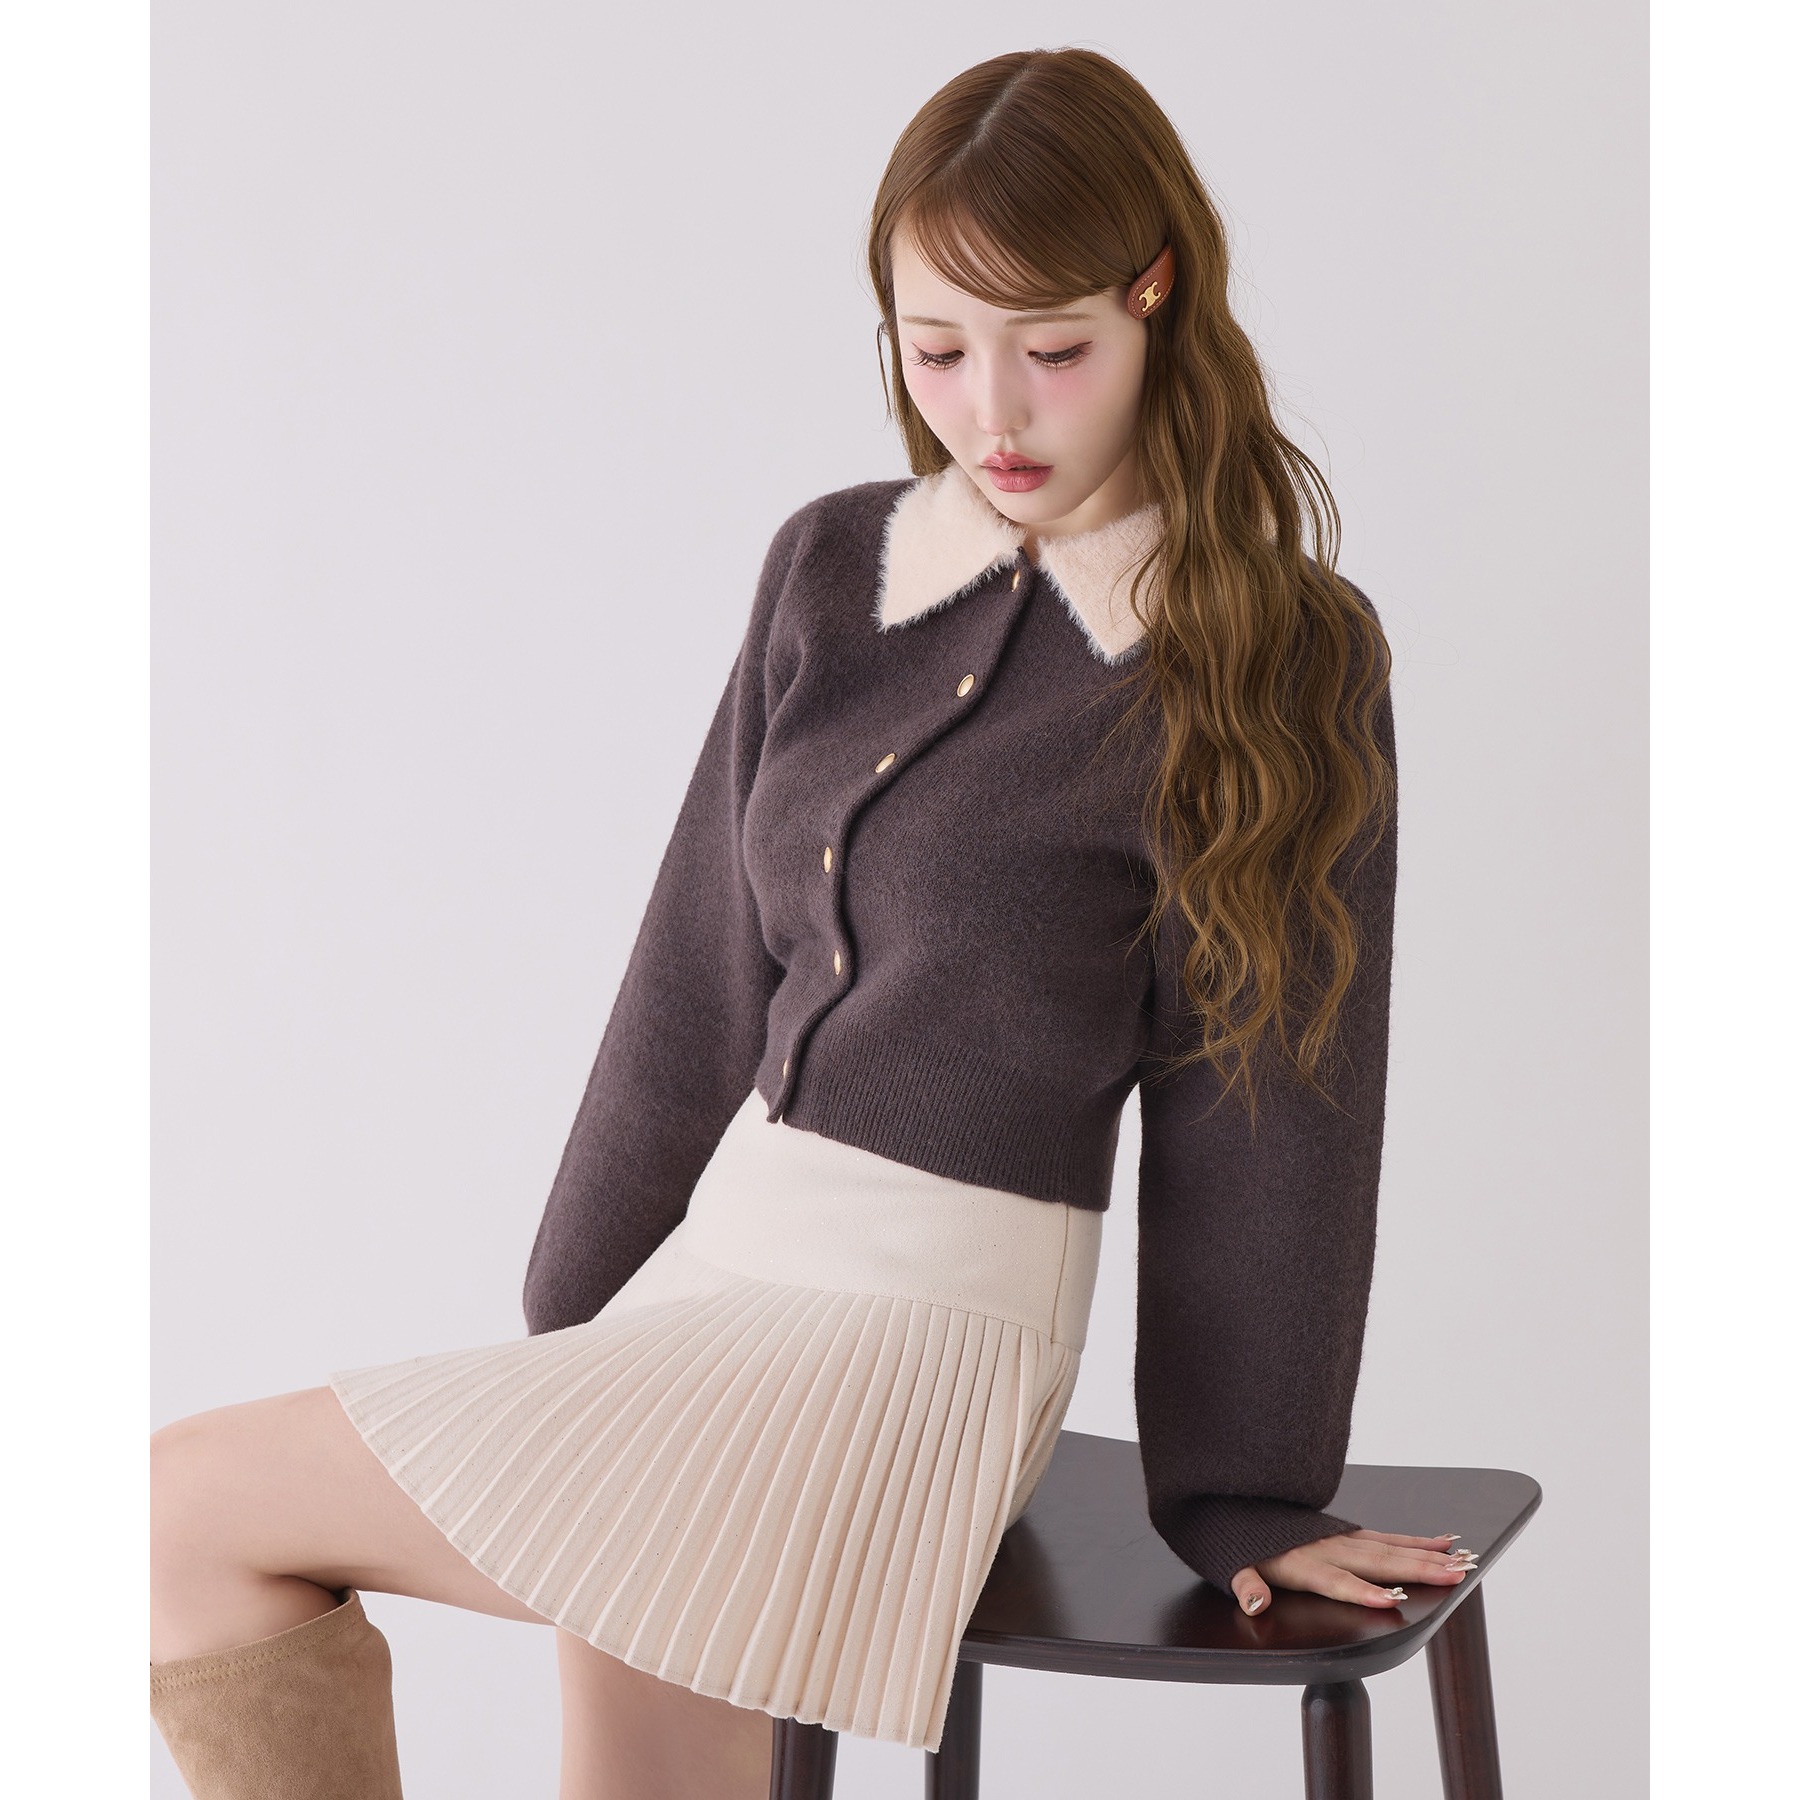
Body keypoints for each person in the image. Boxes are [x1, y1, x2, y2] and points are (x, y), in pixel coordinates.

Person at [149, 45, 1477, 1800]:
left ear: (1158, 297)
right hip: (710, 1297)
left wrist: (1248, 1489)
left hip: (917, 1348)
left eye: (1054, 351)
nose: (995, 415)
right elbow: (695, 963)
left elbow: (1276, 1102)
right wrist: (581, 1323)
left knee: (179, 1504)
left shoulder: (1274, 653)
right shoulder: (835, 569)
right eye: (938, 351)